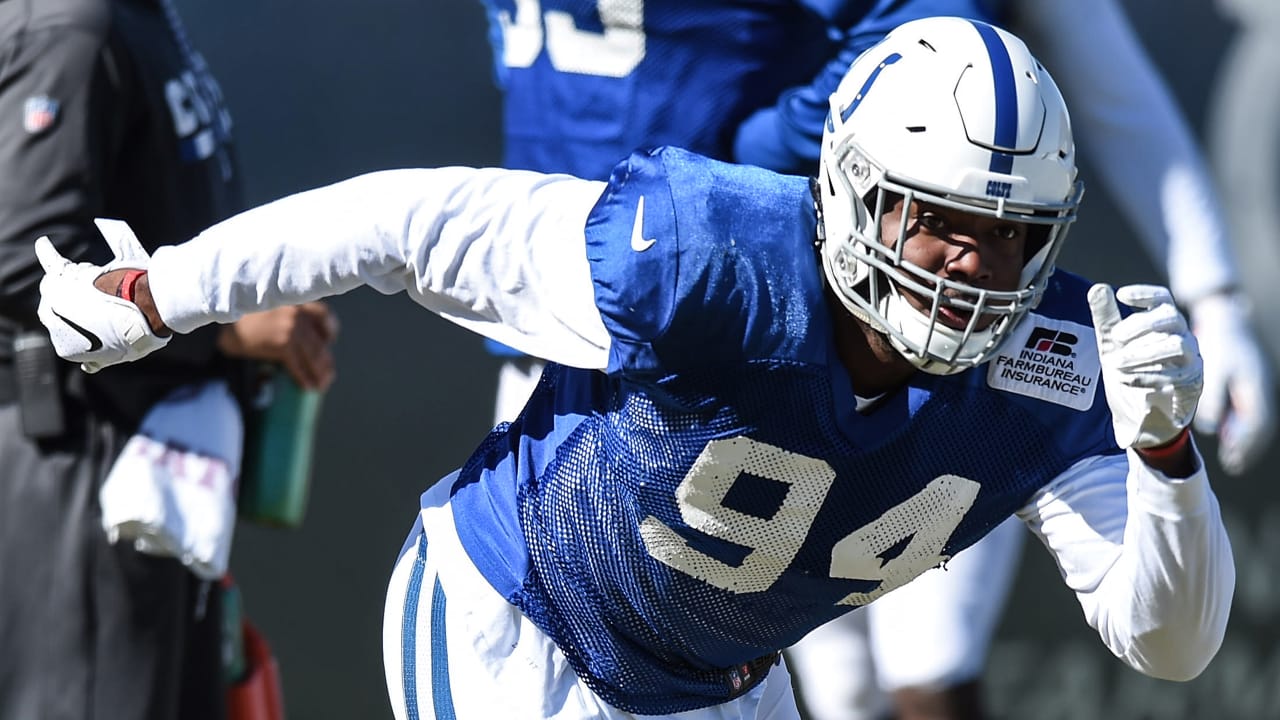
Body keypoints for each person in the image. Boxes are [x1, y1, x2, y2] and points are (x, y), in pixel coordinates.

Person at [33, 17, 1234, 720]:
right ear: (855, 196)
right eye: (936, 223)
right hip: (523, 617)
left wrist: (1165, 457)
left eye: (1008, 235)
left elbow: (1168, 645)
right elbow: (410, 223)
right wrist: (159, 293)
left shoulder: (1061, 368)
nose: (972, 267)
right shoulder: (711, 253)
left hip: (718, 676)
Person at [479, 5, 1272, 712]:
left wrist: (1214, 295)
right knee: (809, 672)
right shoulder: (693, 230)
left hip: (881, 302)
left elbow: (1064, 60)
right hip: (690, 307)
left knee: (925, 665)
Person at [0, 1, 337, 719]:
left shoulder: (136, 17)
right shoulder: (71, 24)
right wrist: (218, 322)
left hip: (154, 463)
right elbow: (18, 263)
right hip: (77, 464)